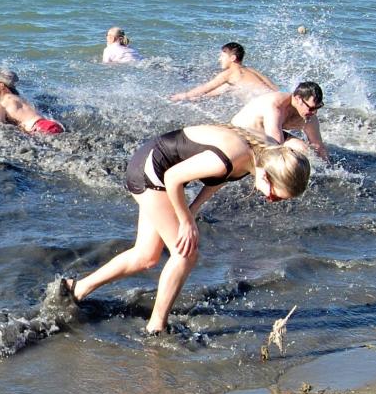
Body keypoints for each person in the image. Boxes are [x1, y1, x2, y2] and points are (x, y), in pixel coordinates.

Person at [60, 124, 311, 334]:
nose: (271, 201)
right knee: (186, 253)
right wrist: (187, 222)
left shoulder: (267, 154)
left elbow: (219, 180)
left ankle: (77, 288)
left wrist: (192, 210)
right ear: (267, 177)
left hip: (158, 167)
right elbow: (173, 178)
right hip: (151, 172)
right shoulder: (234, 157)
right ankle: (156, 327)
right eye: (276, 197)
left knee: (146, 257)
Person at [231, 81, 328, 160]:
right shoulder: (276, 107)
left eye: (318, 107)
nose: (314, 112)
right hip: (243, 131)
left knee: (303, 149)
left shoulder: (309, 115)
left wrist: (329, 169)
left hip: (266, 132)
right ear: (298, 99)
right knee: (289, 154)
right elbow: (275, 146)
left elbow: (318, 147)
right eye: (311, 108)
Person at [169, 42, 276, 102]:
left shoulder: (230, 73)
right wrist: (198, 97)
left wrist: (183, 95)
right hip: (276, 100)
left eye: (222, 56)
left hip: (265, 104)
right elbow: (273, 88)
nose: (219, 59)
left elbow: (205, 88)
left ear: (232, 58)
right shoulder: (250, 71)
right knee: (233, 89)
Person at [0, 69, 65, 134]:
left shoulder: (2, 103)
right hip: (51, 123)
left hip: (40, 129)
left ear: (1, 86)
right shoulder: (21, 99)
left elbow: (0, 127)